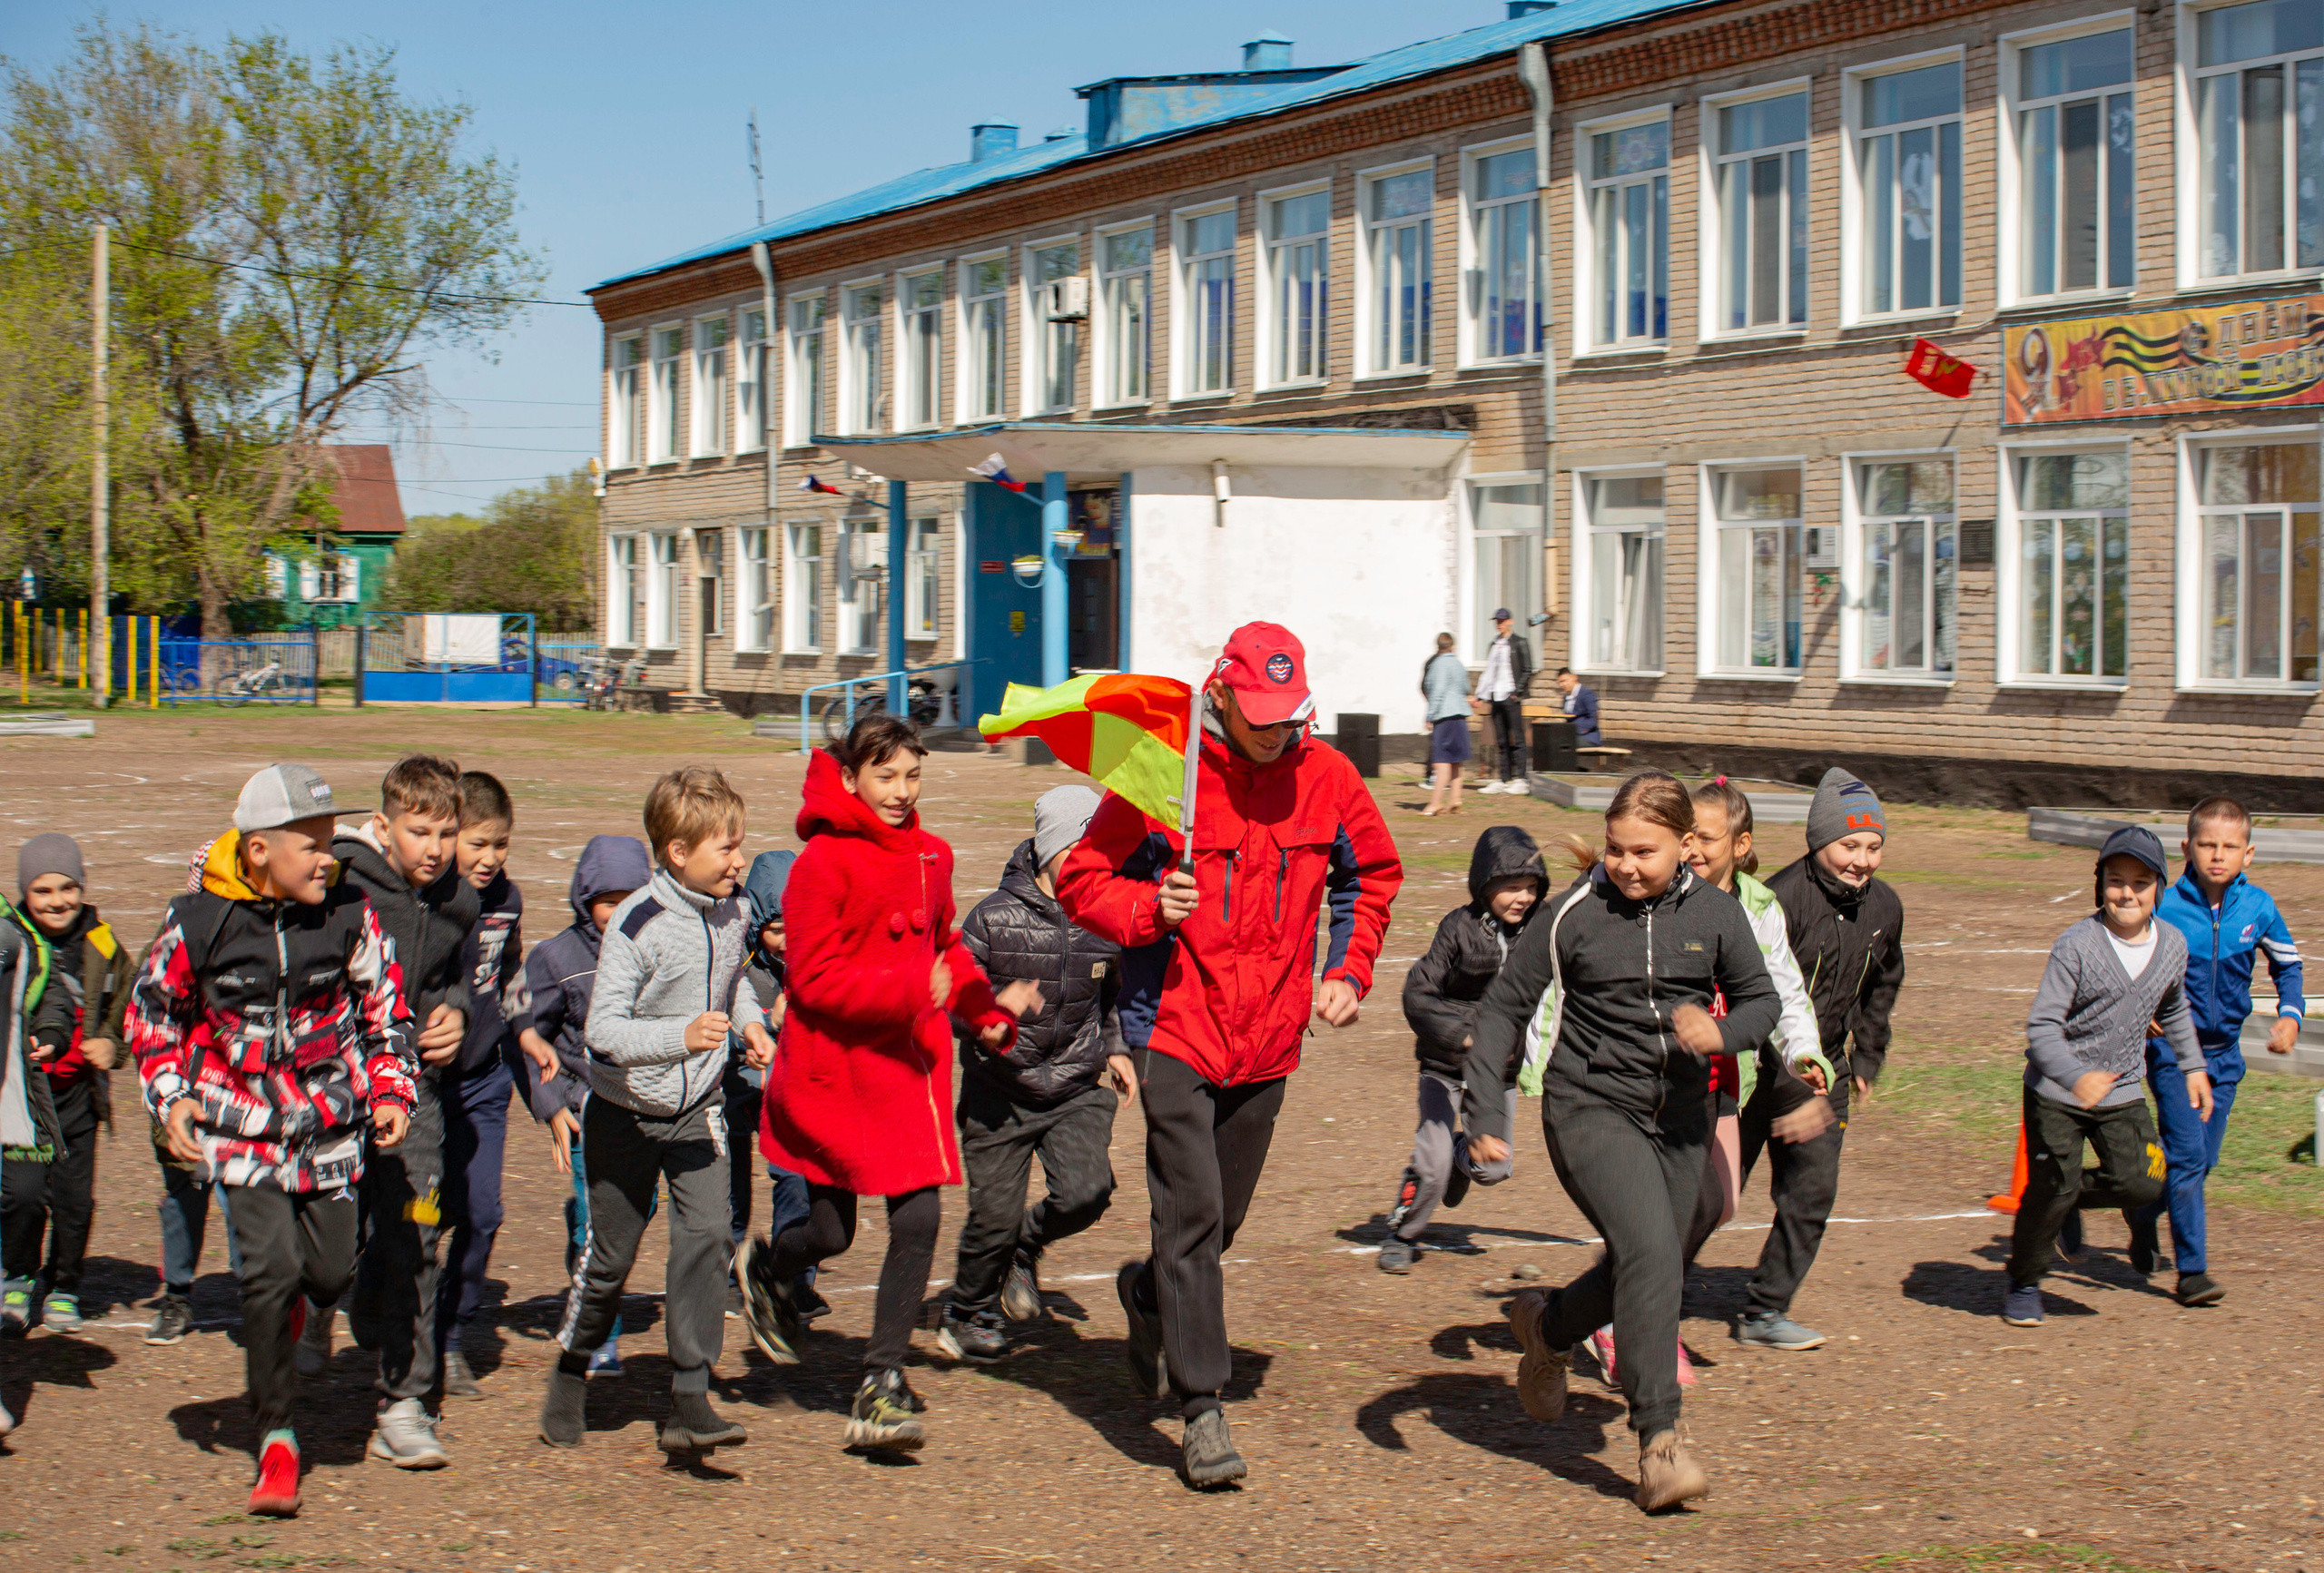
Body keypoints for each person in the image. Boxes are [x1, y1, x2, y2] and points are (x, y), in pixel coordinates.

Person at [1059, 622, 1403, 1488]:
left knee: (1219, 1222)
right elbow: (1081, 881)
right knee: (1193, 1216)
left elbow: (1373, 879)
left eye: (1289, 715)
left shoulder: (1328, 778)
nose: (1276, 730)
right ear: (1219, 694)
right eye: (1259, 715)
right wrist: (1150, 905)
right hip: (1175, 1029)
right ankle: (1201, 1408)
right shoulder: (1158, 772)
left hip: (1272, 1039)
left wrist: (1348, 969)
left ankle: (1146, 1297)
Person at [1464, 771, 1779, 1512]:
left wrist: (1723, 1030)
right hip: (1589, 1106)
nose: (1628, 864)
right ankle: (1660, 1441)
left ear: (1686, 846)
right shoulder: (1575, 910)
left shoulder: (1718, 914)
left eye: (1646, 850)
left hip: (1681, 1116)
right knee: (1649, 1253)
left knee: (1651, 1261)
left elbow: (1762, 999)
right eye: (1616, 849)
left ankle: (1546, 1327)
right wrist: (1484, 1111)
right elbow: (1504, 1007)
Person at [736, 714, 1032, 1453]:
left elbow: (948, 950)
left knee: (919, 1217)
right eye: (885, 776)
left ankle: (881, 1381)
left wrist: (985, 1012)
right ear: (849, 779)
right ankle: (771, 1267)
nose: (901, 791)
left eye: (912, 775)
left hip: (905, 1073)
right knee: (832, 1231)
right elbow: (814, 980)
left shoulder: (933, 854)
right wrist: (915, 986)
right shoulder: (823, 862)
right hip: (835, 1071)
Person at [127, 763, 417, 1517]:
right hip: (241, 1124)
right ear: (259, 851)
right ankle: (277, 1438)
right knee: (268, 1271)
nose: (331, 855)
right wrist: (175, 1100)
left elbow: (385, 1008)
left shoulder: (351, 912)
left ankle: (296, 1314)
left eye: (332, 839)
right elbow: (152, 1015)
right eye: (313, 842)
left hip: (329, 1123)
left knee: (323, 1275)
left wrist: (389, 1089)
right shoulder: (198, 921)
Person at [542, 766, 758, 1454]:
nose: (738, 860)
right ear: (678, 852)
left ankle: (689, 1397)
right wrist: (679, 1036)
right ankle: (573, 1366)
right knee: (611, 1258)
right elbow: (602, 1032)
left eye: (739, 844)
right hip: (625, 1112)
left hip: (700, 1110)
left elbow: (734, 983)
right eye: (725, 848)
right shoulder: (637, 922)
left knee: (708, 1238)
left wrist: (749, 1023)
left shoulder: (737, 908)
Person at [1588, 779, 1828, 1387]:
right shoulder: (1649, 896)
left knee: (1717, 1202)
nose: (1691, 846)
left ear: (1741, 845)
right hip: (1652, 1079)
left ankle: (1607, 1297)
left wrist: (1804, 1054)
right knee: (1668, 1206)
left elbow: (1782, 990)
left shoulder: (1757, 906)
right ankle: (1628, 1323)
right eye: (1684, 834)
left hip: (1724, 1081)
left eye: (1705, 837)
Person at [937, 784, 1132, 1364]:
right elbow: (955, 995)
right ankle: (967, 1310)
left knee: (1087, 1193)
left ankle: (1027, 1245)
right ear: (1052, 848)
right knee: (992, 1216)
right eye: (1085, 845)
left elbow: (1118, 996)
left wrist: (1118, 1048)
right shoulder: (992, 919)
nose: (1099, 858)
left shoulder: (1108, 917)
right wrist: (993, 1012)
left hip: (1074, 1084)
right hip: (1000, 1092)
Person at [2004, 825, 2209, 1327]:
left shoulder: (2173, 946)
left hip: (2120, 1089)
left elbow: (2175, 1008)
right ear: (2100, 885)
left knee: (2146, 1179)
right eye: (2116, 881)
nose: (2127, 893)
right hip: (2055, 1091)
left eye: (2140, 883)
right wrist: (2075, 1077)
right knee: (2050, 1186)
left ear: (2159, 888)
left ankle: (2068, 1200)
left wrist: (2194, 1067)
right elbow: (2042, 1025)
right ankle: (2025, 1282)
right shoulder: (2077, 945)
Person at [336, 754, 477, 1468]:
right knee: (331, 1242)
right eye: (419, 830)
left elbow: (461, 981)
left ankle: (405, 1401)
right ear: (385, 824)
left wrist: (454, 1012)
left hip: (414, 1094)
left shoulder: (461, 900)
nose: (434, 848)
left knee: (421, 1232)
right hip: (330, 1086)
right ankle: (348, 1289)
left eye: (446, 831)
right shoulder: (339, 878)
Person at [1742, 767, 1905, 1352]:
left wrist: (1868, 1057)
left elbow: (1884, 984)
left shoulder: (1885, 908)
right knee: (1706, 1193)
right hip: (1751, 1072)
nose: (1860, 859)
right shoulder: (1779, 900)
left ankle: (1765, 1310)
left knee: (1812, 1192)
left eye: (1873, 847)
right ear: (1817, 843)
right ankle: (1643, 1289)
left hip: (1823, 1071)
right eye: (1848, 845)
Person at [2128, 796, 2301, 1305]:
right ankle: (2193, 1273)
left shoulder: (2259, 907)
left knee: (2204, 1162)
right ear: (2187, 848)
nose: (2218, 855)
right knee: (2186, 1157)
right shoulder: (2162, 902)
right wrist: (2144, 1008)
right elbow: (2121, 953)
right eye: (2207, 845)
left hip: (2226, 1056)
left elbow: (2288, 967)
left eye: (2230, 847)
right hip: (2175, 1054)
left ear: (2249, 854)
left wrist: (2289, 1018)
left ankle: (2142, 1214)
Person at [1377, 824, 1543, 1274]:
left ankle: (1458, 1156)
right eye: (1511, 887)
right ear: (1485, 885)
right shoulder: (1458, 927)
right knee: (1428, 1168)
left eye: (1531, 887)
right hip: (1444, 1066)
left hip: (1498, 1075)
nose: (1522, 897)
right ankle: (1402, 1233)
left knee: (1493, 1168)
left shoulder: (1543, 930)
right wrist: (1463, 1035)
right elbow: (1418, 993)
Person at [514, 833, 651, 1378]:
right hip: (587, 1109)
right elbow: (527, 1034)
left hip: (647, 1113)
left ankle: (583, 1235)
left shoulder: (657, 950)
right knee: (600, 1228)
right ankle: (600, 1340)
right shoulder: (554, 958)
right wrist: (551, 1108)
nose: (619, 912)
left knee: (638, 1214)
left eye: (632, 897)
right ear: (584, 896)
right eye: (607, 900)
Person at [4, 835, 129, 1336]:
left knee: (76, 1201)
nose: (57, 901)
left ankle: (64, 1286)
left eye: (68, 887)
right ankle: (16, 1276)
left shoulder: (102, 942)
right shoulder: (6, 941)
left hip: (79, 1099)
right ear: (23, 894)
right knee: (26, 1196)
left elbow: (130, 999)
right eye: (42, 890)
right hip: (22, 1102)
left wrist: (111, 1045)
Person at [433, 772, 523, 1400]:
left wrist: (529, 1036)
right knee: (409, 1219)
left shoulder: (509, 899)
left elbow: (511, 972)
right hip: (423, 1085)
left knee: (483, 1212)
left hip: (485, 1080)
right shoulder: (427, 901)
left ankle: (451, 1334)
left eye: (501, 845)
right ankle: (393, 1321)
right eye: (478, 844)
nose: (490, 859)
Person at [725, 848, 825, 1324]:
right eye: (776, 927)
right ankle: (728, 1276)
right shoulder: (738, 966)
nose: (788, 939)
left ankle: (795, 1282)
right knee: (731, 1194)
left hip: (795, 1100)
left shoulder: (819, 962)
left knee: (797, 1183)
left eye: (797, 924)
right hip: (738, 1094)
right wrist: (766, 1022)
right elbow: (718, 1021)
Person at [0, 851, 77, 1335]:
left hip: (14, 1100)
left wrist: (51, 1031)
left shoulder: (13, 934)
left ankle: (18, 1274)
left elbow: (48, 992)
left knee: (27, 1195)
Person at [1473, 608, 1534, 796]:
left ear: (1510, 621)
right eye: (1497, 621)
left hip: (1510, 696)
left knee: (1517, 737)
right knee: (1501, 739)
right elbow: (1489, 671)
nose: (1499, 624)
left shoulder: (1519, 643)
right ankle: (1504, 777)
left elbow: (1527, 669)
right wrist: (1481, 695)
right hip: (1495, 697)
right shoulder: (1494, 644)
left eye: (1502, 620)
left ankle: (1520, 778)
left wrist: (1516, 691)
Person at [1420, 633, 1472, 818]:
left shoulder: (1437, 665)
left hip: (1444, 716)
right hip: (1460, 715)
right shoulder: (1458, 664)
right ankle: (1455, 799)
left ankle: (1435, 804)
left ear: (1438, 647)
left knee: (1441, 761)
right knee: (1457, 760)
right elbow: (1466, 688)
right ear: (1452, 646)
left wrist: (1430, 715)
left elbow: (1437, 691)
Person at [1555, 668, 1601, 748]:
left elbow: (1593, 719)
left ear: (1574, 677)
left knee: (1560, 744)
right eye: (1560, 682)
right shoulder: (1566, 698)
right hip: (1571, 736)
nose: (1562, 685)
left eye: (1564, 681)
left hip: (1588, 737)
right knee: (1551, 740)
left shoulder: (1586, 694)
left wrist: (1576, 730)